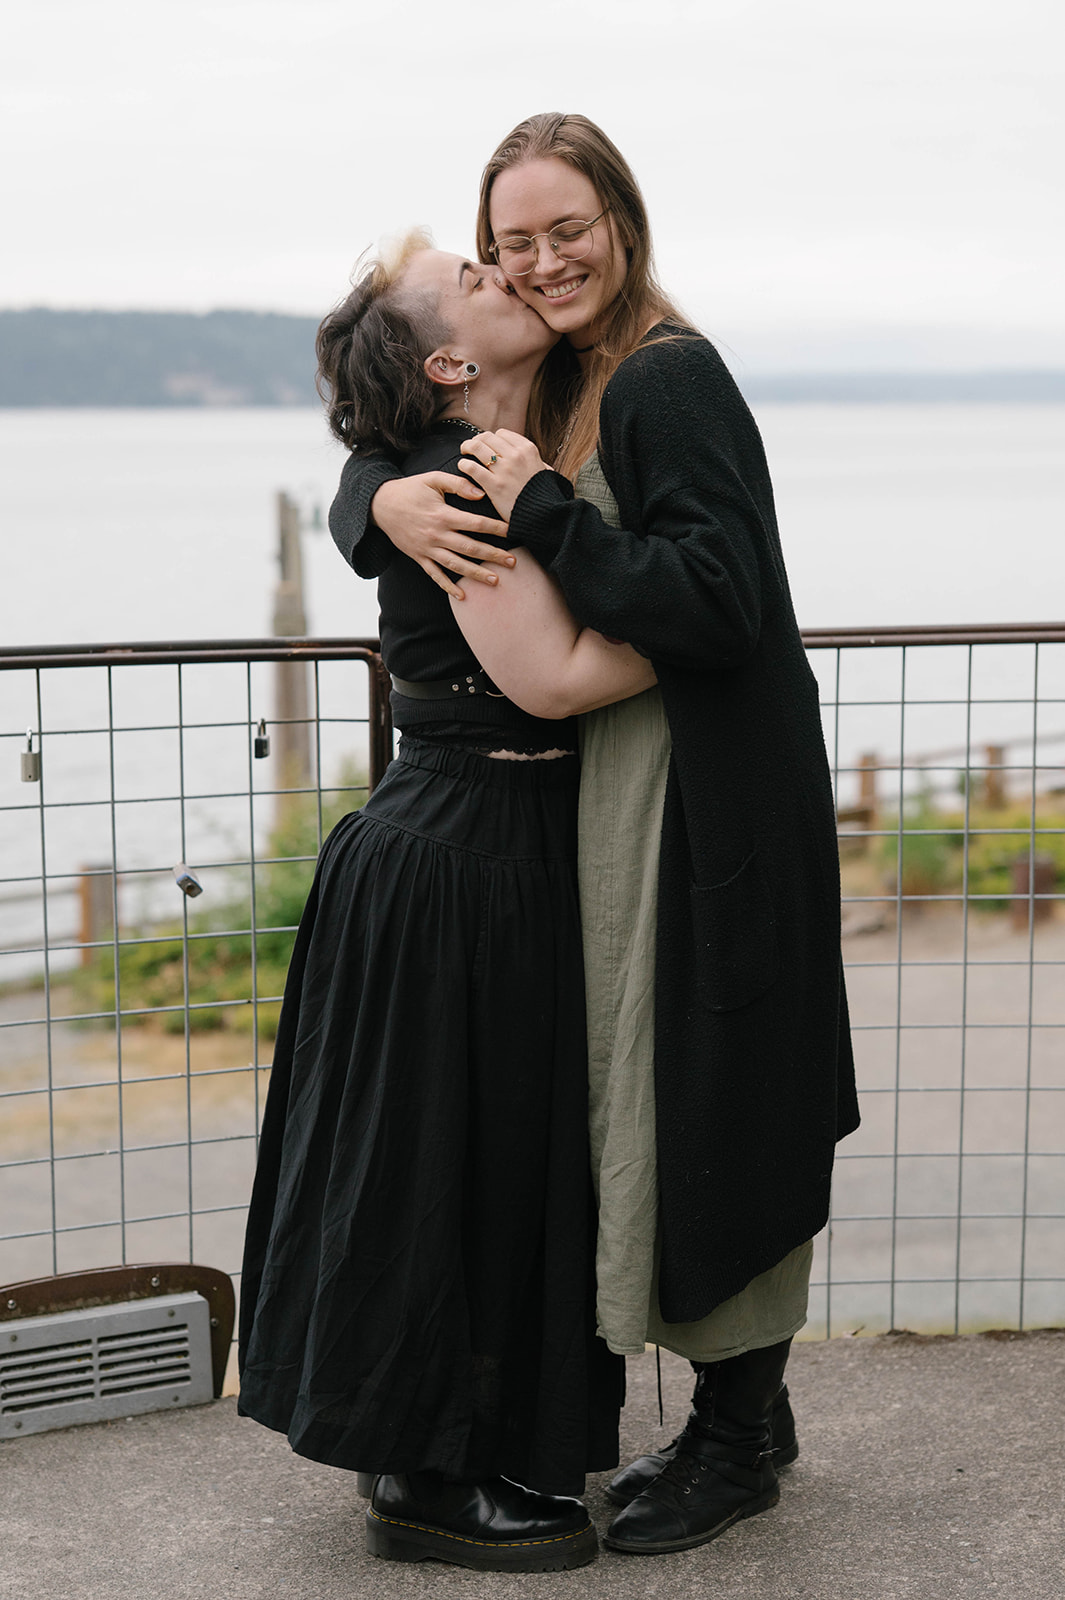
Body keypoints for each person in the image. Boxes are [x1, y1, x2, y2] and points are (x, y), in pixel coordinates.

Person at [328, 113, 859, 1559]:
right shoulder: (547, 370)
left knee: (720, 1099)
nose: (542, 261)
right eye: (512, 244)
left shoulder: (665, 377)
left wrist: (549, 513)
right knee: (647, 1108)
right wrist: (373, 497)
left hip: (710, 800)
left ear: (620, 221)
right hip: (618, 794)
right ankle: (739, 1413)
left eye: (568, 229)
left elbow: (712, 596)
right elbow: (395, 413)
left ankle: (739, 1436)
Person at [238, 229, 659, 1573]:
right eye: (474, 276)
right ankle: (423, 1476)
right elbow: (550, 680)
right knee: (447, 1164)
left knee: (479, 1156)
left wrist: (362, 488)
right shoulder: (444, 478)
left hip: (478, 836)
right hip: (465, 843)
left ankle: (460, 1450)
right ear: (448, 357)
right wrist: (719, 620)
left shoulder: (459, 458)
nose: (503, 271)